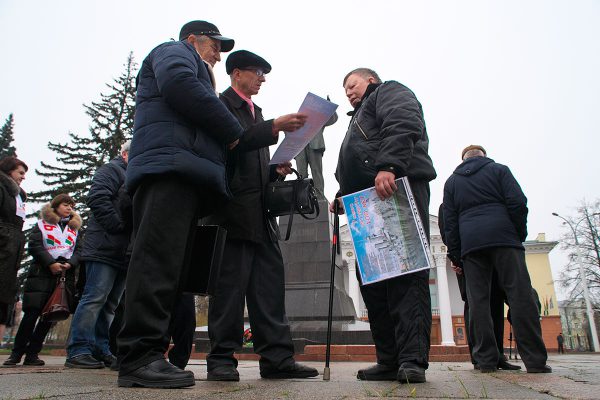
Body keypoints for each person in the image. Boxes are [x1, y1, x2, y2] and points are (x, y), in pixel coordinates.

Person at [116, 20, 244, 389]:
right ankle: (138, 357)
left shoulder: (195, 65)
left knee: (171, 270)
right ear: (193, 39)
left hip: (183, 174)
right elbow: (180, 86)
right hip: (167, 170)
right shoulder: (173, 51)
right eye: (215, 45)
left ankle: (150, 354)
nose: (219, 54)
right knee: (155, 262)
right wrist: (232, 131)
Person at [205, 50, 317, 381]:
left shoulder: (258, 114)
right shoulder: (221, 106)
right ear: (236, 73)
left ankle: (277, 360)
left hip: (261, 217)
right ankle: (221, 359)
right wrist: (273, 127)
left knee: (269, 289)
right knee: (229, 290)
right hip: (231, 215)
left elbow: (253, 170)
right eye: (257, 72)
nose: (262, 78)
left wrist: (276, 171)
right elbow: (231, 148)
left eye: (264, 74)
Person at [332, 68, 436, 383]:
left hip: (393, 187)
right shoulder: (358, 118)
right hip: (365, 202)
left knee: (405, 274)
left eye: (353, 84)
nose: (348, 91)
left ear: (371, 80)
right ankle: (389, 359)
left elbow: (404, 122)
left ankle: (412, 359)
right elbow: (354, 160)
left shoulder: (389, 92)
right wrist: (342, 195)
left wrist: (389, 165)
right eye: (345, 89)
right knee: (374, 283)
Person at [442, 144, 551, 373]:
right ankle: (534, 360)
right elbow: (518, 203)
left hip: (471, 246)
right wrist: (517, 234)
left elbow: (450, 222)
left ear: (464, 160)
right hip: (504, 238)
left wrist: (457, 253)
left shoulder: (452, 182)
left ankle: (485, 360)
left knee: (478, 303)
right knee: (521, 297)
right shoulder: (500, 170)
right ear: (484, 156)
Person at [65, 141, 131, 369]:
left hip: (122, 251)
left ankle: (100, 348)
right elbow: (97, 198)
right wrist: (117, 225)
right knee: (94, 298)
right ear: (125, 154)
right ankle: (78, 349)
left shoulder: (134, 176)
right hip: (103, 246)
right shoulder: (111, 170)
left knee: (110, 304)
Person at [438, 203, 520, 371]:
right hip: (467, 260)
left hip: (493, 255)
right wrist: (456, 257)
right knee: (474, 304)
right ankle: (479, 355)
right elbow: (448, 233)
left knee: (495, 302)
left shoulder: (487, 201)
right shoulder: (447, 205)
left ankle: (498, 355)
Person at [3, 194, 81, 366]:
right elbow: (35, 245)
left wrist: (70, 264)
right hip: (42, 273)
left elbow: (79, 250)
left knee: (50, 316)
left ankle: (33, 353)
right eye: (65, 205)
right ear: (56, 206)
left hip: (63, 276)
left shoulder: (73, 229)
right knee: (31, 315)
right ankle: (16, 353)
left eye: (71, 206)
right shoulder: (42, 225)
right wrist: (50, 263)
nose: (69, 208)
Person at [0, 156, 28, 329]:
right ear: (9, 170)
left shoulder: (18, 197)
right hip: (3, 246)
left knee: (3, 304)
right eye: (20, 172)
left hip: (11, 253)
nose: (23, 177)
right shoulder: (2, 190)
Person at [294, 104, 337, 197]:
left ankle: (320, 196)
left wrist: (329, 107)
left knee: (316, 172)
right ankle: (302, 197)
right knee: (301, 174)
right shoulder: (297, 122)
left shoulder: (318, 119)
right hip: (299, 148)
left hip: (315, 147)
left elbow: (333, 119)